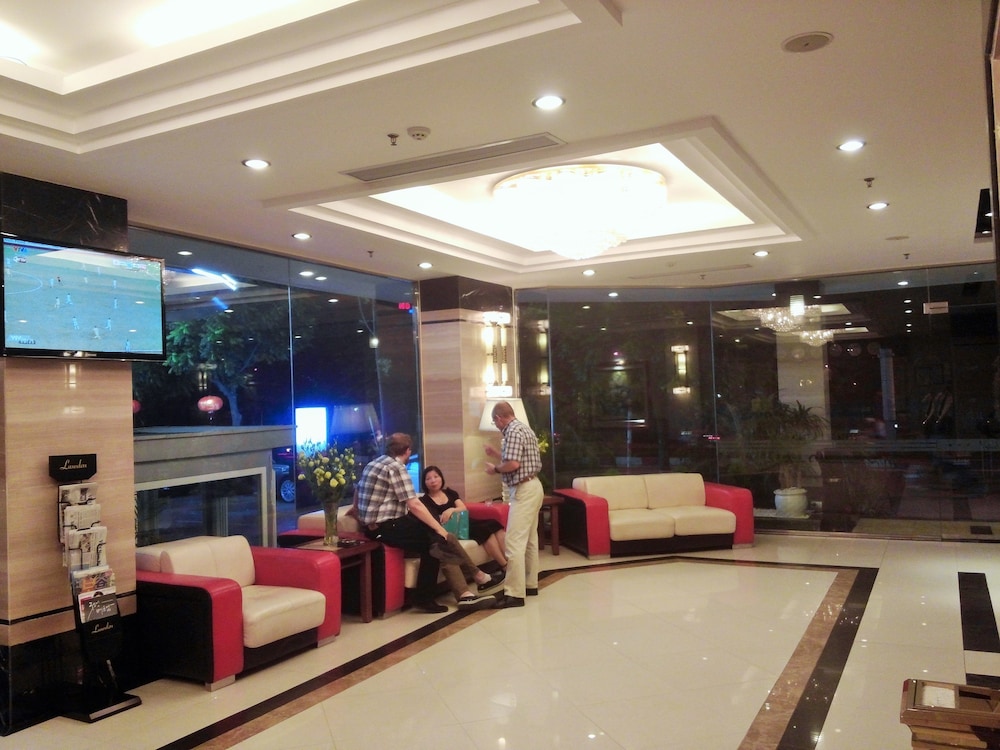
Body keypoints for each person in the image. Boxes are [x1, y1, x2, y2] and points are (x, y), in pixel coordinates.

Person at [355, 432, 501, 613]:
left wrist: (357, 512)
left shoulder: (373, 464)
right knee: (438, 540)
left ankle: (463, 586)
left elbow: (358, 492)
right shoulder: (396, 467)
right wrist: (440, 529)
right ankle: (468, 588)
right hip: (385, 526)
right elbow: (415, 505)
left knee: (435, 543)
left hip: (376, 526)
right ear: (408, 451)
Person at [484, 401, 543, 608]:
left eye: (495, 422)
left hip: (523, 490)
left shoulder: (512, 432)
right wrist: (496, 454)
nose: (496, 426)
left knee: (514, 542)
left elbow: (514, 464)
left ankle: (514, 594)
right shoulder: (524, 429)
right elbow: (518, 458)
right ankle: (529, 584)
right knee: (530, 540)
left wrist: (495, 469)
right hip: (534, 486)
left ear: (499, 418)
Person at [419, 465, 508, 570]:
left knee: (494, 524)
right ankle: (505, 566)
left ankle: (510, 560)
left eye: (436, 476)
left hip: (465, 522)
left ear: (441, 478)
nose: (433, 481)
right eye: (428, 478)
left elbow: (463, 508)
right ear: (424, 482)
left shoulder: (450, 493)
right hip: (452, 529)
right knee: (485, 531)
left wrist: (451, 510)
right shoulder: (425, 500)